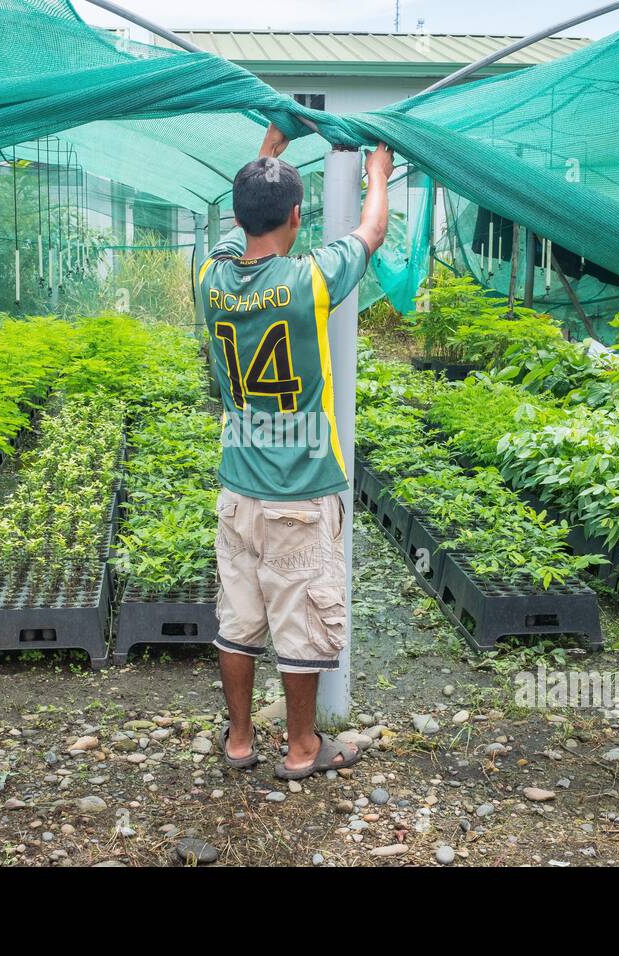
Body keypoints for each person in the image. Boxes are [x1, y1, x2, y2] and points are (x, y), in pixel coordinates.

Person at [197, 122, 394, 780]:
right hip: (300, 490)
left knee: (239, 618)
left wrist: (267, 148)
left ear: (236, 216)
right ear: (296, 215)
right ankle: (305, 747)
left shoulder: (210, 280)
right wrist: (376, 175)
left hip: (238, 484)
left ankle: (241, 741)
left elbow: (238, 234)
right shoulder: (309, 283)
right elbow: (370, 234)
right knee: (303, 621)